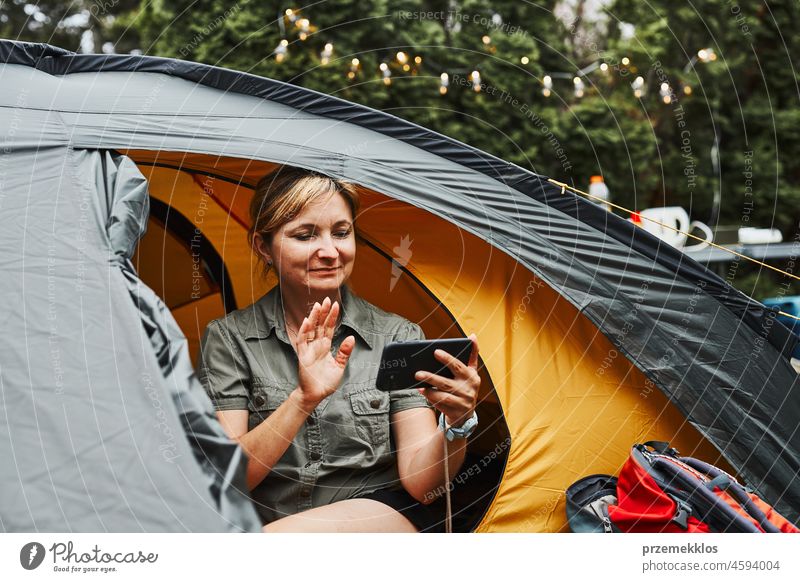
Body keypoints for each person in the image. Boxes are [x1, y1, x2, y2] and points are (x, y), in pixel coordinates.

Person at [198, 166, 481, 532]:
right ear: (262, 246)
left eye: (342, 233)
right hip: (264, 523)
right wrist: (303, 399)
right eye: (305, 235)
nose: (330, 251)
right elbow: (228, 479)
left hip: (378, 516)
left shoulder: (395, 335)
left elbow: (423, 485)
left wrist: (457, 424)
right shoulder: (229, 339)